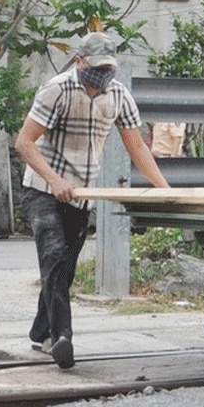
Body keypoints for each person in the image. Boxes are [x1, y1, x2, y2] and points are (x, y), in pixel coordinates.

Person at [12, 31, 172, 369]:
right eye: (97, 68)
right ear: (81, 62)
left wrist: (164, 190)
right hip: (44, 187)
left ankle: (40, 331)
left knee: (64, 268)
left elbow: (137, 147)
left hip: (82, 194)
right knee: (53, 257)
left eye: (109, 68)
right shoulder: (57, 89)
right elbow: (24, 143)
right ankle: (62, 338)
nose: (103, 75)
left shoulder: (118, 95)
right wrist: (54, 180)